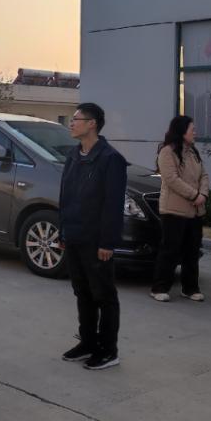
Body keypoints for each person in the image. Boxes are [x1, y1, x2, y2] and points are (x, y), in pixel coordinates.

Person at [57, 102, 128, 371]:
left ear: (92, 124)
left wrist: (107, 242)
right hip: (74, 236)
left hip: (96, 241)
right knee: (82, 293)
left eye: (76, 119)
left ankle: (109, 350)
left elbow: (113, 205)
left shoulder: (110, 159)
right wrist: (63, 230)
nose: (71, 123)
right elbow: (65, 196)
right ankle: (87, 343)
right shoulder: (74, 155)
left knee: (104, 295)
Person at [150, 115, 209, 303]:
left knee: (192, 251)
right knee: (170, 250)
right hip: (174, 210)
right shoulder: (167, 152)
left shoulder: (193, 152)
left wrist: (203, 194)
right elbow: (171, 179)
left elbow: (204, 175)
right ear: (182, 131)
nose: (195, 133)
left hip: (195, 211)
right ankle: (159, 288)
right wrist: (194, 195)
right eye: (192, 129)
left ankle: (190, 288)